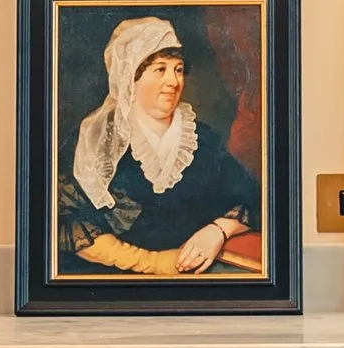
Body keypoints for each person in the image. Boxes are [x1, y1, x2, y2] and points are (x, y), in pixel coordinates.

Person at [61, 15, 260, 278]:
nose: (173, 82)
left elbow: (252, 199)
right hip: (107, 280)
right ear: (130, 78)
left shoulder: (203, 139)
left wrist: (218, 231)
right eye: (160, 69)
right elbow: (65, 221)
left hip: (195, 277)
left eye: (178, 70)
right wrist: (152, 263)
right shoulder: (95, 139)